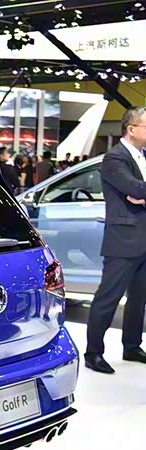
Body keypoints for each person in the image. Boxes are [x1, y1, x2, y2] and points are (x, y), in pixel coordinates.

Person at [85, 106, 146, 374]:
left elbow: (140, 192)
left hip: (143, 238)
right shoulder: (114, 158)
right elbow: (135, 189)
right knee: (108, 297)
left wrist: (141, 196)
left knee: (139, 298)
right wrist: (139, 194)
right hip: (123, 240)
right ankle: (93, 352)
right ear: (132, 129)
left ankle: (132, 346)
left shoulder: (143, 156)